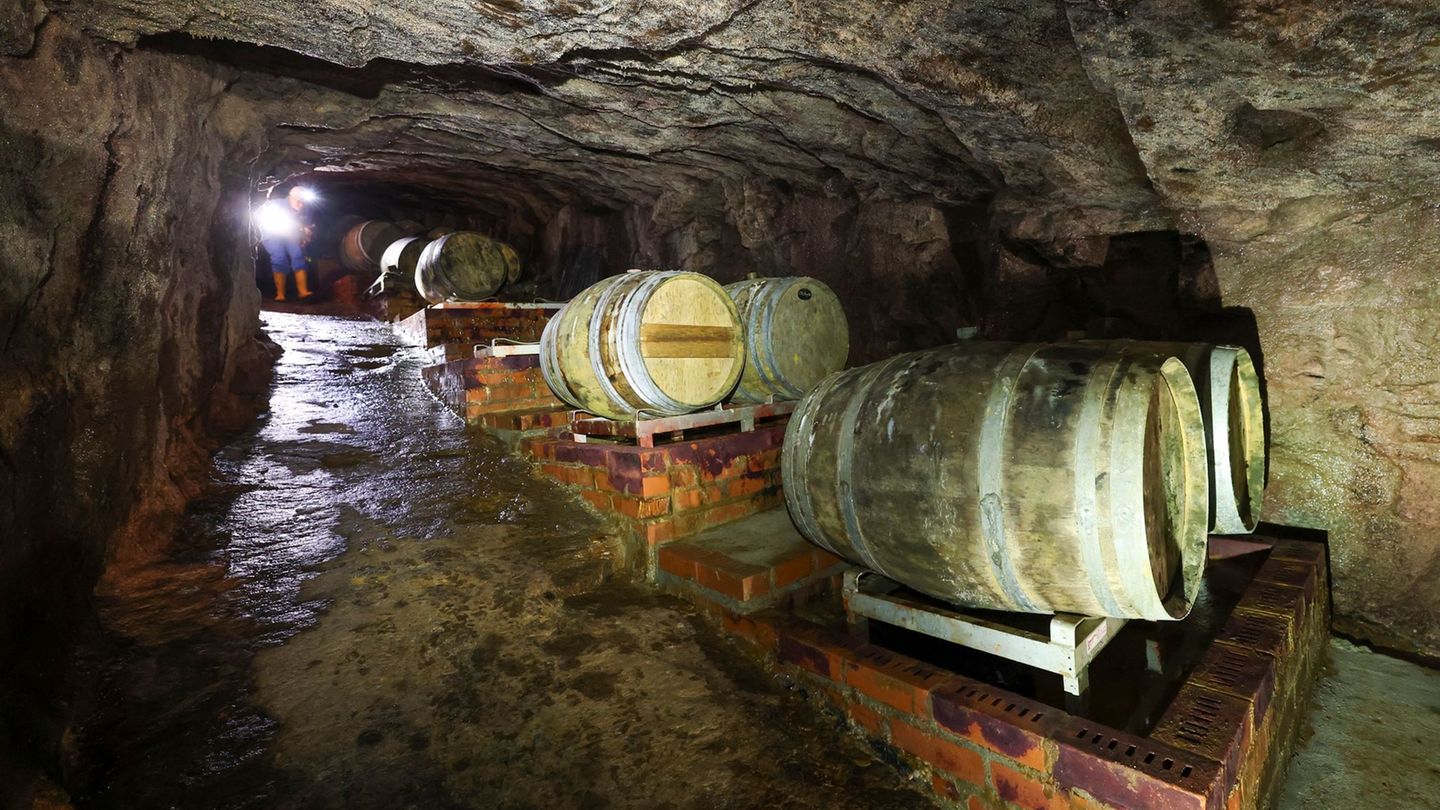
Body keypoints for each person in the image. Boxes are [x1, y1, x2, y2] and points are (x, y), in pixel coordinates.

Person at [255, 186, 317, 301]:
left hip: (291, 235)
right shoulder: (276, 205)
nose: (301, 204)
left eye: (303, 202)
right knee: (279, 258)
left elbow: (307, 224)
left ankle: (303, 292)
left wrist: (305, 232)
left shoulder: (305, 209)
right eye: (299, 201)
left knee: (298, 256)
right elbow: (259, 213)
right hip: (272, 234)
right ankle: (280, 294)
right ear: (290, 198)